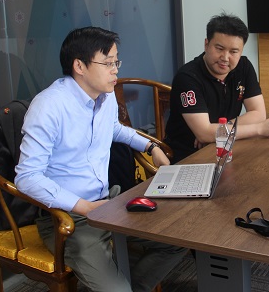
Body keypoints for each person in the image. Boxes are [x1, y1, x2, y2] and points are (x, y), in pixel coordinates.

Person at [14, 26, 186, 292]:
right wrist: (85, 207)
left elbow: (114, 129)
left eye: (116, 62)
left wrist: (150, 146)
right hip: (67, 218)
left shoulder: (105, 96)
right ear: (79, 66)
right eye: (107, 63)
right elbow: (26, 178)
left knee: (178, 241)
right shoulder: (48, 106)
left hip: (107, 202)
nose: (115, 70)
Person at [164, 13, 269, 162]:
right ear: (206, 44)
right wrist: (259, 129)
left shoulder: (244, 67)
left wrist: (218, 132)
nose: (225, 57)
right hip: (189, 156)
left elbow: (258, 114)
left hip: (227, 148)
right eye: (219, 48)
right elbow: (204, 133)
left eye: (233, 52)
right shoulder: (187, 77)